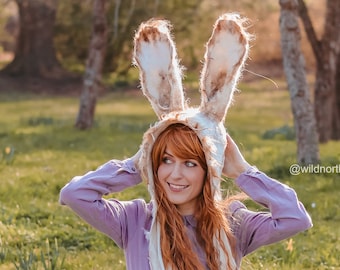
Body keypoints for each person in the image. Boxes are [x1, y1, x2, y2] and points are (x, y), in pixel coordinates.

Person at [59, 13, 312, 270]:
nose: (175, 174)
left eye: (190, 163)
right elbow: (75, 194)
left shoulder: (234, 223)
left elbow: (295, 218)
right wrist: (135, 166)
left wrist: (243, 172)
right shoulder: (134, 220)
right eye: (166, 160)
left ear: (209, 170)